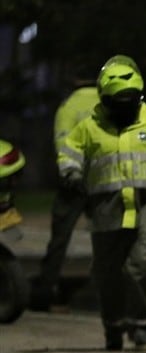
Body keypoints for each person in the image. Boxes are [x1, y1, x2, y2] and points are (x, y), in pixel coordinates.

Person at [57, 55, 146, 351]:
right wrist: (72, 174)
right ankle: (113, 326)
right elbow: (69, 153)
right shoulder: (89, 127)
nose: (125, 108)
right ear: (104, 99)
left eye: (130, 101)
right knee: (108, 273)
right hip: (106, 209)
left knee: (142, 266)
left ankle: (141, 325)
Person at [30, 64, 100, 311]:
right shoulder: (109, 103)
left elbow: (62, 143)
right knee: (107, 236)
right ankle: (110, 289)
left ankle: (46, 290)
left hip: (75, 180)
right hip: (105, 179)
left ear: (73, 78)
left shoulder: (69, 106)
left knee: (60, 238)